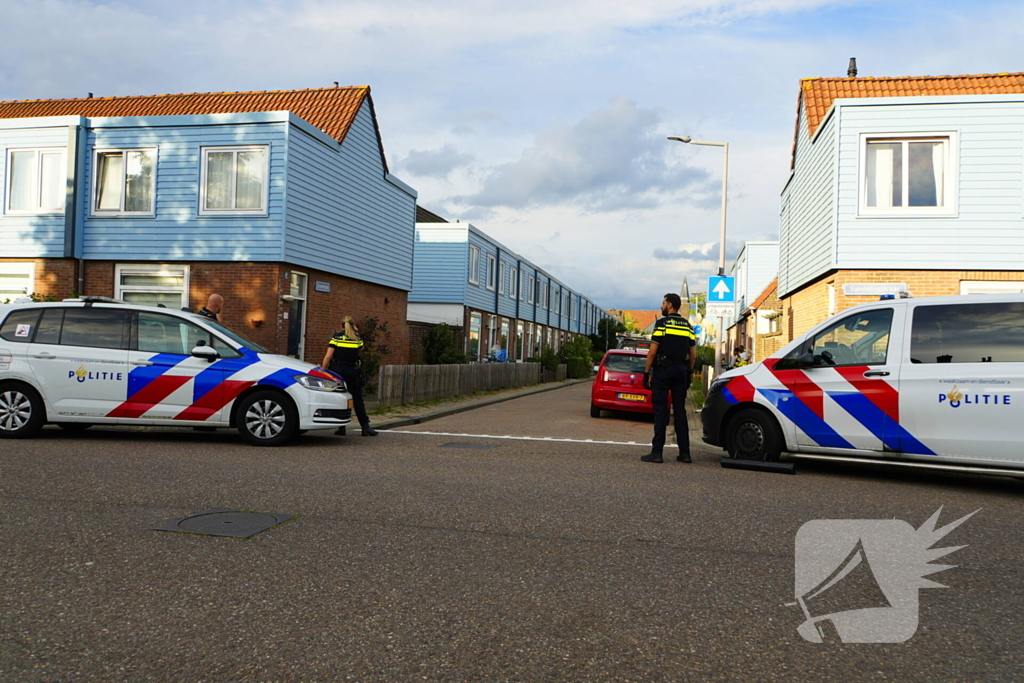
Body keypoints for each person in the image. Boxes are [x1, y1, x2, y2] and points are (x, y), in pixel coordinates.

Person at [640, 293, 697, 464]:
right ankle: (685, 453)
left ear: (670, 305)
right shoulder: (687, 325)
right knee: (680, 411)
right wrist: (689, 371)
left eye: (663, 303)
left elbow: (652, 351)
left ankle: (657, 453)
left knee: (661, 412)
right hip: (680, 371)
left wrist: (646, 372)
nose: (661, 306)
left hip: (663, 371)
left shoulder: (662, 323)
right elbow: (693, 354)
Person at [321, 316, 378, 437]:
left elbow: (328, 356)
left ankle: (341, 428)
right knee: (357, 399)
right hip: (352, 370)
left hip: (337, 370)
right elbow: (361, 349)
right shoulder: (357, 338)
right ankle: (365, 427)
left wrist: (323, 370)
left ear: (342, 326)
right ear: (353, 325)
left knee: (339, 397)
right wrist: (355, 332)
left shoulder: (336, 338)